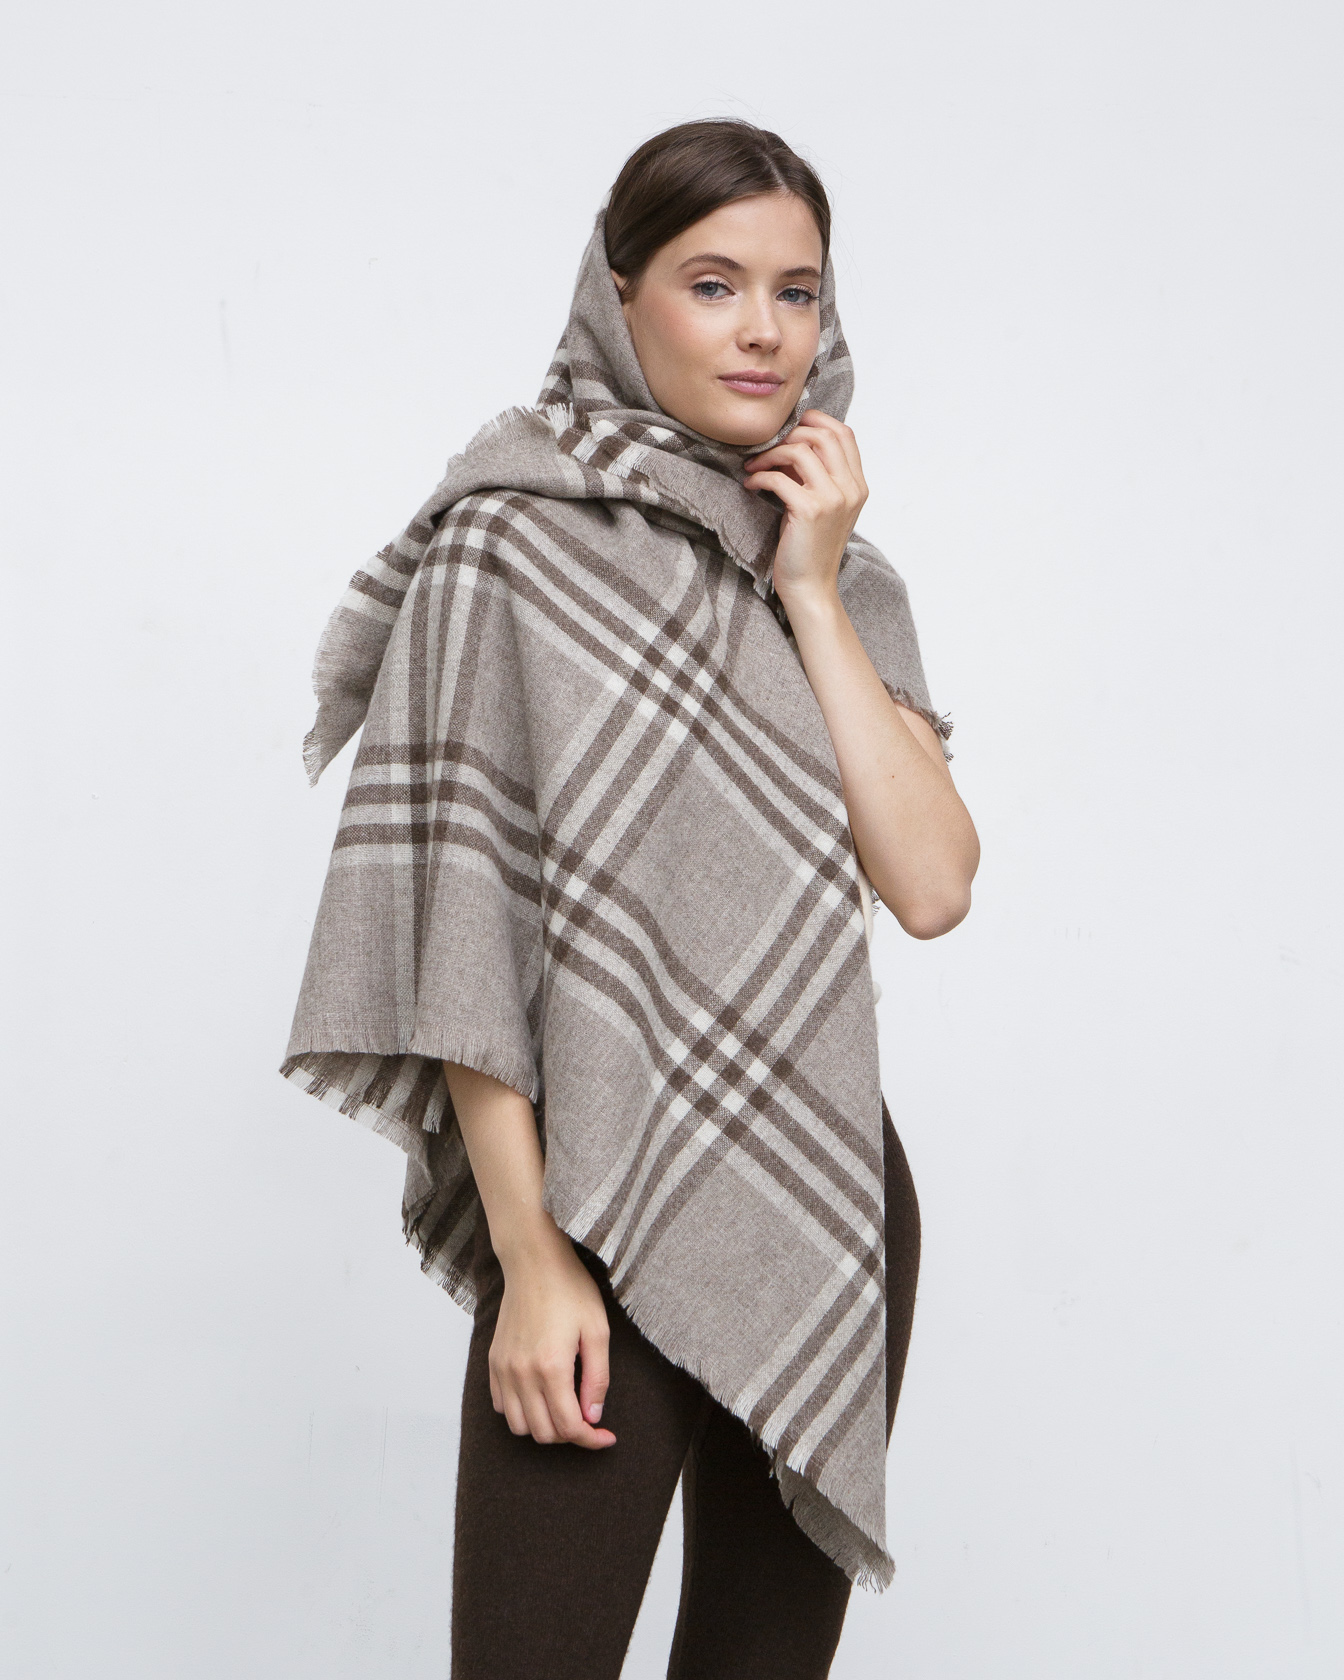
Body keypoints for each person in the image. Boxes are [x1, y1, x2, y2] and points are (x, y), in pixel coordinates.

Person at [282, 119, 979, 1680]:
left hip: (825, 1184)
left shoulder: (840, 573)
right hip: (587, 1196)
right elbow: (463, 936)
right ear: (618, 297)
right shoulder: (504, 544)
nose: (761, 330)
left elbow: (932, 882)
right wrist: (532, 1260)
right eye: (713, 284)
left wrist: (809, 588)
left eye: (796, 291)